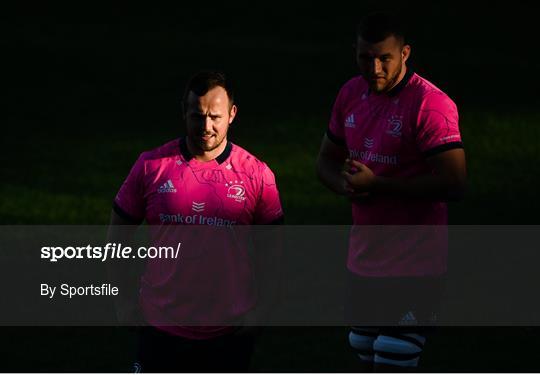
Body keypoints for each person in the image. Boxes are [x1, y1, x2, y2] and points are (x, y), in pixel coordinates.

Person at [316, 12, 466, 372]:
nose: (376, 68)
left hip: (417, 263)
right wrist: (344, 184)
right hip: (365, 258)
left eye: (385, 58)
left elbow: (455, 184)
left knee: (393, 353)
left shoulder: (430, 105)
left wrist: (379, 185)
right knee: (364, 347)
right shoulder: (350, 94)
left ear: (405, 53)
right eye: (366, 58)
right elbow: (324, 163)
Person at [107, 71, 284, 372]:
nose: (206, 126)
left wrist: (263, 311)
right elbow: (117, 238)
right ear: (184, 112)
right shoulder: (151, 167)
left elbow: (274, 252)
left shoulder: (257, 175)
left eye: (215, 116)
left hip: (229, 332)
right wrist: (123, 304)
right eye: (197, 116)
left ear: (232, 114)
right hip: (160, 329)